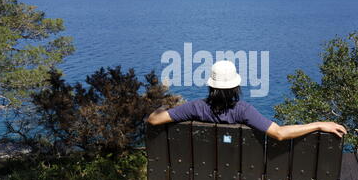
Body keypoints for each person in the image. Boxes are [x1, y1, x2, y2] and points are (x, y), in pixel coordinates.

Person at [147, 61, 347, 140]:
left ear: (211, 85)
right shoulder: (243, 111)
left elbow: (154, 120)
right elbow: (279, 133)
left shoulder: (195, 108)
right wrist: (319, 124)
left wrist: (162, 106)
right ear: (235, 87)